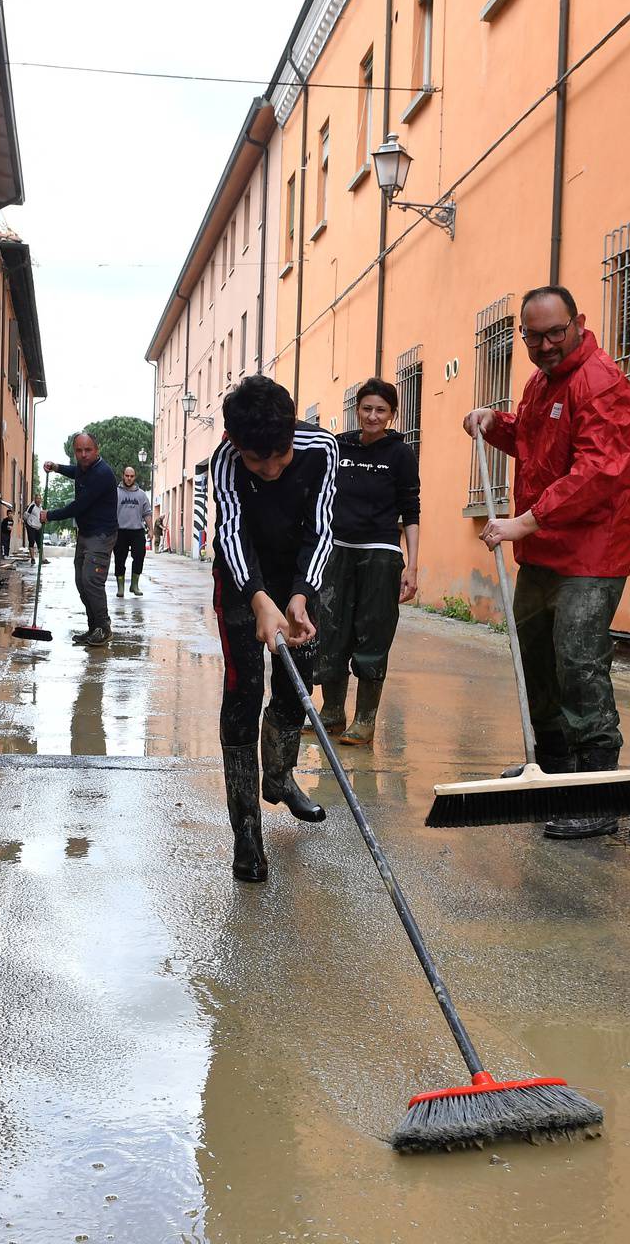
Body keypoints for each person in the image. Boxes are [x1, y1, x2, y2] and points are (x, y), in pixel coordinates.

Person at [461, 284, 630, 841]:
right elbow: (537, 447)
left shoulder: (604, 385)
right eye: (531, 337)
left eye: (554, 333)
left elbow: (597, 474)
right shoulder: (541, 384)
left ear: (578, 323)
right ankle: (555, 769)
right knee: (534, 660)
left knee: (578, 665)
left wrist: (526, 522)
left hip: (590, 555)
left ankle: (598, 790)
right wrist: (496, 423)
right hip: (541, 553)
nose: (543, 346)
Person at [208, 375, 338, 882]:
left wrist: (299, 596)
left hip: (297, 576)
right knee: (242, 692)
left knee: (296, 685)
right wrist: (258, 598)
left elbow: (322, 527)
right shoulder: (224, 462)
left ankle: (280, 777)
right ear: (236, 446)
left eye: (278, 457)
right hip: (242, 578)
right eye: (256, 461)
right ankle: (246, 834)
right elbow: (231, 531)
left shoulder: (320, 448)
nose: (270, 469)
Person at [318, 378, 420, 746]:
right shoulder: (338, 446)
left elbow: (411, 510)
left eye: (380, 410)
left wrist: (412, 564)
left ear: (392, 414)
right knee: (330, 630)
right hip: (336, 550)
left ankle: (364, 720)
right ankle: (331, 713)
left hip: (381, 555)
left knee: (372, 634)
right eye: (366, 408)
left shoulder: (400, 454)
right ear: (357, 409)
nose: (372, 416)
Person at [37, 431, 119, 645]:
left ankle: (104, 627)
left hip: (101, 535)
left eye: (88, 450)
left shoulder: (102, 474)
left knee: (92, 581)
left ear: (97, 450)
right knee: (81, 582)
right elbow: (75, 472)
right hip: (85, 533)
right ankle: (94, 628)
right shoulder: (84, 468)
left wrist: (50, 515)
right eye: (79, 450)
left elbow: (79, 506)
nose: (83, 454)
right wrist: (56, 467)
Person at [113, 465, 151, 596]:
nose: (129, 478)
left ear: (135, 477)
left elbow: (147, 513)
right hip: (120, 531)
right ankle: (120, 587)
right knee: (119, 559)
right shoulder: (115, 493)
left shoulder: (141, 495)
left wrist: (151, 530)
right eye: (127, 476)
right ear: (123, 476)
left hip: (137, 531)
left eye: (132, 476)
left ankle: (134, 585)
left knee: (140, 556)